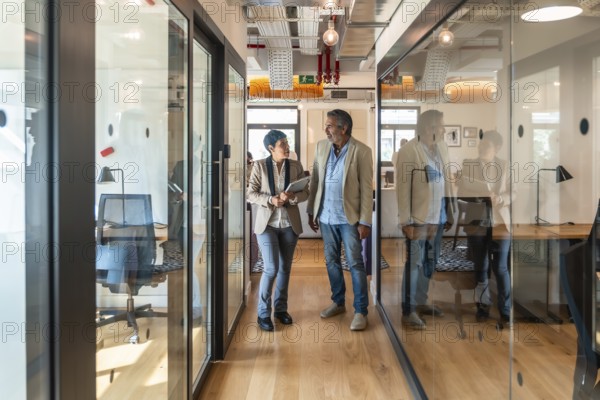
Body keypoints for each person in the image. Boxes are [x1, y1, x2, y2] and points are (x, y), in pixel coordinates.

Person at [307, 109, 373, 331]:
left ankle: (361, 311)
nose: (326, 129)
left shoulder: (362, 151)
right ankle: (338, 302)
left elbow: (366, 189)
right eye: (326, 125)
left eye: (329, 125)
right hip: (326, 217)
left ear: (343, 128)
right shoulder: (321, 147)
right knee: (331, 261)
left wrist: (365, 221)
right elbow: (315, 180)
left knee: (355, 263)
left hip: (349, 219)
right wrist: (311, 211)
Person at [395, 109, 455, 330]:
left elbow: (446, 181)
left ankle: (421, 302)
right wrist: (406, 222)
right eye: (441, 125)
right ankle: (408, 310)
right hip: (419, 220)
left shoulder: (441, 148)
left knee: (430, 263)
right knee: (414, 264)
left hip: (437, 218)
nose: (444, 129)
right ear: (429, 127)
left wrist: (448, 211)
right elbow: (403, 190)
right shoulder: (409, 151)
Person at [247, 130, 309, 331]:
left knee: (285, 269)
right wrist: (270, 200)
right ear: (271, 148)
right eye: (283, 143)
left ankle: (281, 310)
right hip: (267, 226)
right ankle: (263, 313)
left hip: (289, 225)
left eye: (287, 142)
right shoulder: (259, 166)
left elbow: (305, 192)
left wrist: (292, 197)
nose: (287, 146)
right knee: (271, 268)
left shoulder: (296, 166)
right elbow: (251, 194)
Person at [457, 130, 512, 325]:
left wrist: (502, 198)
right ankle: (483, 306)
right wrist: (481, 195)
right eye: (481, 144)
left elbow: (513, 192)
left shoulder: (505, 165)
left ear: (496, 148)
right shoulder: (468, 164)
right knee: (480, 267)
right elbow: (461, 192)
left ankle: (505, 310)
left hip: (500, 224)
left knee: (501, 268)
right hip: (477, 223)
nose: (481, 147)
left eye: (486, 145)